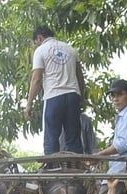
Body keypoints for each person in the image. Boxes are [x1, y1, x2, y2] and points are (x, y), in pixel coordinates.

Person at [24, 25, 85, 155]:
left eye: (35, 43)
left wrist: (29, 104)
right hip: (73, 95)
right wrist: (81, 98)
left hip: (54, 97)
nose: (36, 46)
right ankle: (77, 171)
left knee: (51, 139)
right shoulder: (70, 49)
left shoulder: (41, 51)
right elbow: (80, 77)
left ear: (39, 38)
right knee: (74, 139)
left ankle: (51, 171)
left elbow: (36, 79)